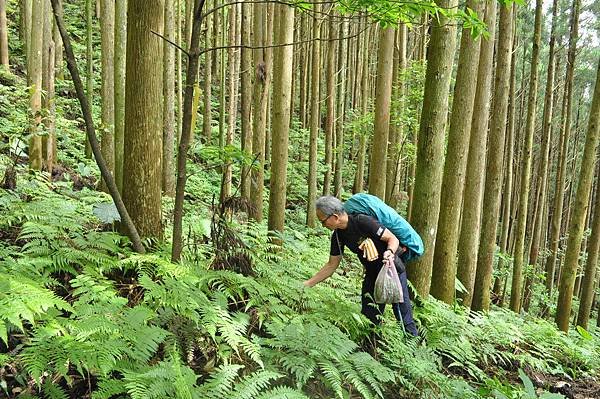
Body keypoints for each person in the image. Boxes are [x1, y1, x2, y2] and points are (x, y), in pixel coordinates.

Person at [304, 195, 418, 336]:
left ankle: (413, 349)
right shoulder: (338, 236)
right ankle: (372, 350)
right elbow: (331, 265)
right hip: (372, 274)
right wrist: (308, 284)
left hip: (392, 270)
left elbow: (392, 239)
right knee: (369, 317)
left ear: (334, 217)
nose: (323, 225)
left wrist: (389, 252)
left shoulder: (362, 221)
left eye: (323, 221)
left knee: (402, 315)